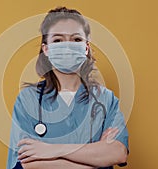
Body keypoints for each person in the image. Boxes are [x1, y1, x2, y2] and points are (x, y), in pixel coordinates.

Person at [7, 6, 129, 169]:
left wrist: (49, 150)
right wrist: (94, 160)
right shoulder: (28, 100)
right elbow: (26, 163)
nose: (67, 46)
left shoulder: (106, 99)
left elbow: (118, 152)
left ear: (86, 48)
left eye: (76, 39)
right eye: (58, 40)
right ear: (46, 49)